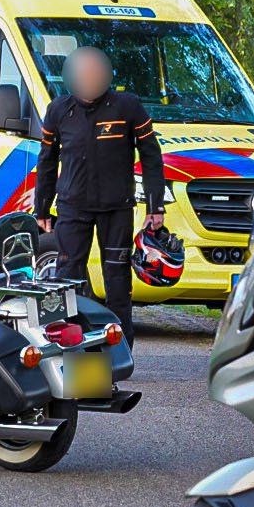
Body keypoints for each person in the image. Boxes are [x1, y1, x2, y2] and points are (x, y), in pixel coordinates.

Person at [33, 45, 165, 343]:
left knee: (117, 281)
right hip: (72, 208)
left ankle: (122, 349)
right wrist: (42, 209)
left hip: (117, 208)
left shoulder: (127, 106)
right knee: (67, 277)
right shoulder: (58, 110)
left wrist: (155, 208)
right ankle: (68, 345)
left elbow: (151, 156)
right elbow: (47, 160)